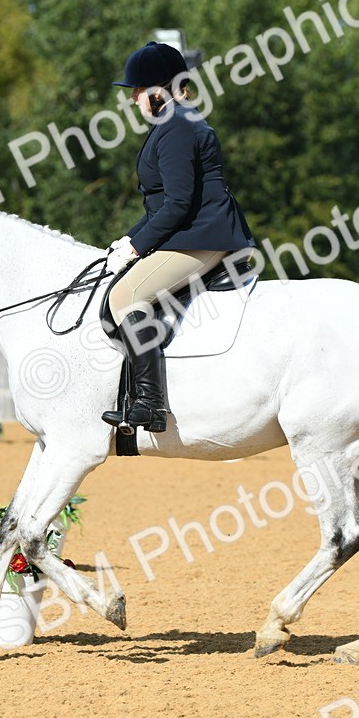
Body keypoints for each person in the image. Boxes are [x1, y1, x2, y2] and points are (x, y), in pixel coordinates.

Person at [101, 41, 255, 433]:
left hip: (201, 236)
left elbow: (178, 204)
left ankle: (151, 405)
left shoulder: (176, 128)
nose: (133, 98)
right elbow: (161, 208)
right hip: (191, 231)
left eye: (138, 90)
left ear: (160, 91)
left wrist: (137, 246)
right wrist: (128, 239)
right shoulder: (174, 123)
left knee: (125, 296)